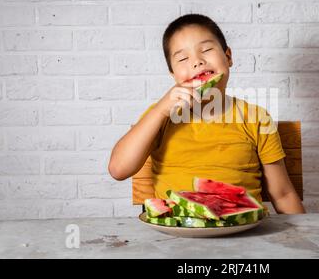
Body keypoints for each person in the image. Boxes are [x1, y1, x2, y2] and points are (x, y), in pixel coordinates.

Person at [108, 14, 305, 214]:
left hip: (243, 233)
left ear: (228, 57)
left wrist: (305, 236)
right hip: (177, 235)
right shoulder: (160, 116)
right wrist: (160, 110)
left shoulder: (255, 118)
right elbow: (118, 169)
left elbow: (283, 194)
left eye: (207, 50)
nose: (197, 62)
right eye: (183, 58)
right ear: (173, 76)